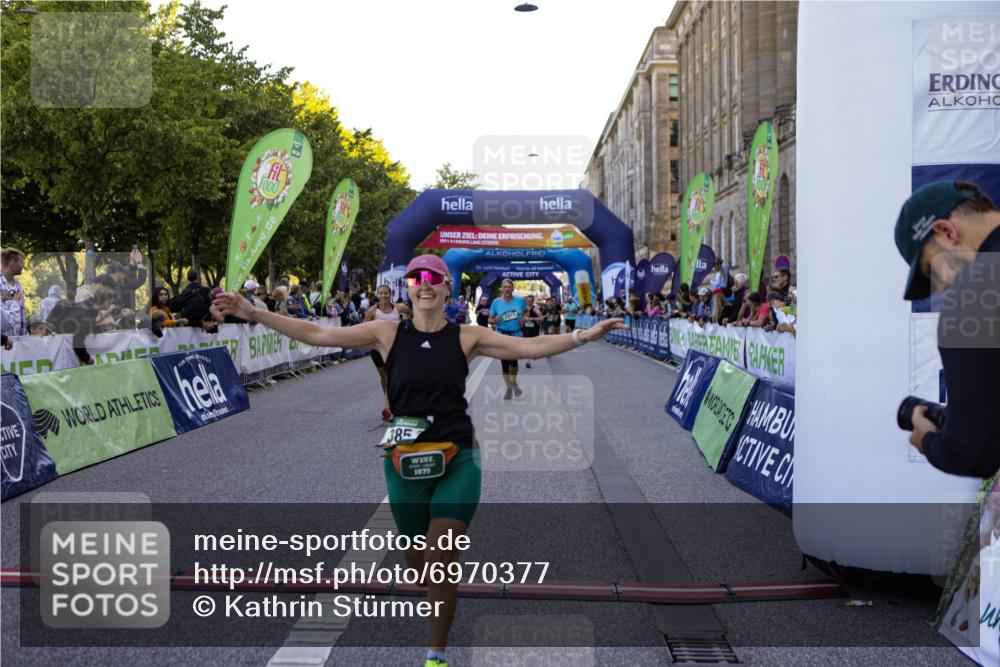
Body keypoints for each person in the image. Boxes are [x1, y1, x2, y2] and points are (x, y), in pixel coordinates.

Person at [214, 254, 625, 666]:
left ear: (448, 288)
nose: (424, 284)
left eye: (434, 278)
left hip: (458, 458)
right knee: (419, 569)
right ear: (409, 287)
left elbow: (528, 345)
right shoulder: (386, 333)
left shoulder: (468, 337)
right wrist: (254, 312)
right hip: (404, 462)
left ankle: (436, 654)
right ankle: (434, 602)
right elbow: (316, 334)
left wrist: (582, 337)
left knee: (441, 557)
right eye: (416, 278)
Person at [895, 180, 1000, 477]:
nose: (941, 288)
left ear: (946, 232)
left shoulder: (972, 295)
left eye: (932, 270)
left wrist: (927, 439)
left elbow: (970, 454)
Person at [365, 284, 413, 422]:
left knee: (394, 377)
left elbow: (411, 315)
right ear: (377, 295)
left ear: (390, 294)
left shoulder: (399, 308)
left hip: (395, 349)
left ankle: (393, 407)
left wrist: (407, 327)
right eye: (380, 293)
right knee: (385, 378)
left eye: (386, 293)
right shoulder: (372, 311)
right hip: (377, 350)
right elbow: (363, 328)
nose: (383, 296)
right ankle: (388, 405)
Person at [488, 278, 526, 399]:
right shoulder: (496, 302)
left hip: (516, 335)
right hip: (502, 335)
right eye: (504, 286)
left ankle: (513, 381)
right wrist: (494, 320)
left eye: (509, 286)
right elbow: (489, 319)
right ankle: (509, 388)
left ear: (513, 289)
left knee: (514, 362)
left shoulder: (520, 301)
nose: (507, 289)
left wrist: (523, 320)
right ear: (501, 289)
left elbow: (524, 314)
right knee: (504, 364)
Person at [1, 247, 27, 338]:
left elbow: (22, 316)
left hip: (17, 345)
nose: (23, 266)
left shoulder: (18, 285)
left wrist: (24, 338)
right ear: (12, 262)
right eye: (21, 262)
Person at [520, 294, 543, 368]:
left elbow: (541, 318)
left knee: (533, 345)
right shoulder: (523, 308)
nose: (528, 302)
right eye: (527, 301)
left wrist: (532, 319)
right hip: (525, 328)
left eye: (530, 301)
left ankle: (531, 358)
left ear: (533, 301)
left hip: (534, 329)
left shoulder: (535, 308)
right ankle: (529, 359)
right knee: (526, 343)